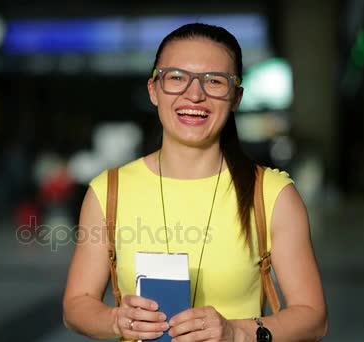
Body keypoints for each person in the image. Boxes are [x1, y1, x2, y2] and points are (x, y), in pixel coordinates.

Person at [63, 23, 328, 341]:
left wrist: (236, 333)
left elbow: (313, 318)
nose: (194, 94)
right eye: (177, 77)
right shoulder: (109, 191)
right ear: (153, 90)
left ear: (236, 97)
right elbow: (76, 306)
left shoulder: (271, 195)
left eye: (214, 81)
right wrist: (117, 320)